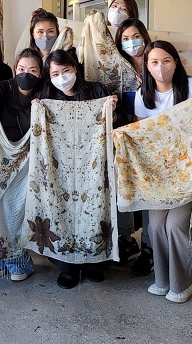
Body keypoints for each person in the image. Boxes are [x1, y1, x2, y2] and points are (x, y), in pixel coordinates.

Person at [135, 40, 192, 304]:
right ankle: (162, 280)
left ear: (176, 62)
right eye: (154, 62)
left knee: (175, 226)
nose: (161, 67)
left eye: (166, 60)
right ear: (147, 66)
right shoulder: (143, 95)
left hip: (187, 170)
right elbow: (142, 135)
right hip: (158, 173)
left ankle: (181, 284)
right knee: (155, 226)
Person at [40, 49, 117, 289]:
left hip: (92, 164)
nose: (62, 77)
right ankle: (68, 267)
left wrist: (112, 110)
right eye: (55, 73)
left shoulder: (97, 91)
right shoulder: (48, 97)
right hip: (61, 167)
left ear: (75, 68)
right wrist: (37, 111)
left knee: (95, 209)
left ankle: (95, 262)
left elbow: (114, 127)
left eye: (66, 70)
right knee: (62, 212)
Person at [0, 48, 44, 281]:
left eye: (32, 70)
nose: (25, 74)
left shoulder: (45, 91)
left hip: (30, 158)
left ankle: (17, 259)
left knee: (20, 207)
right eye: (21, 69)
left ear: (40, 73)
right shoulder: (1, 89)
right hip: (0, 156)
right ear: (14, 69)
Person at [113, 17, 153, 271]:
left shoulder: (157, 63)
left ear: (145, 37)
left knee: (149, 192)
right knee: (123, 187)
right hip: (124, 138)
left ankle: (149, 246)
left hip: (151, 140)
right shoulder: (116, 68)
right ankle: (126, 240)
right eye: (125, 39)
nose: (131, 43)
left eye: (135, 36)